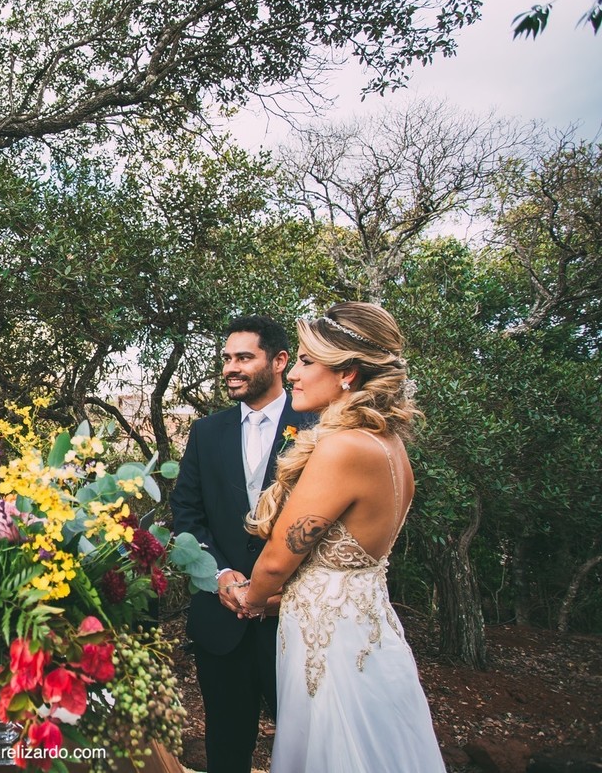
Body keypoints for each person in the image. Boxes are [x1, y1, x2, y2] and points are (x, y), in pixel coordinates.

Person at [240, 303, 443, 772]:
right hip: (366, 633)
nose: (293, 374)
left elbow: (277, 561)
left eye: (308, 361)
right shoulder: (390, 446)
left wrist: (248, 596)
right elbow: (340, 570)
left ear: (347, 374)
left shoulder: (343, 447)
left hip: (331, 649)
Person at [169, 316, 311, 773]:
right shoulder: (206, 432)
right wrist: (222, 576)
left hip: (295, 622)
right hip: (222, 619)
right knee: (226, 748)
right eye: (227, 358)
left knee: (308, 746)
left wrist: (278, 590)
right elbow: (187, 517)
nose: (231, 367)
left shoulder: (317, 426)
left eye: (244, 357)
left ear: (280, 361)